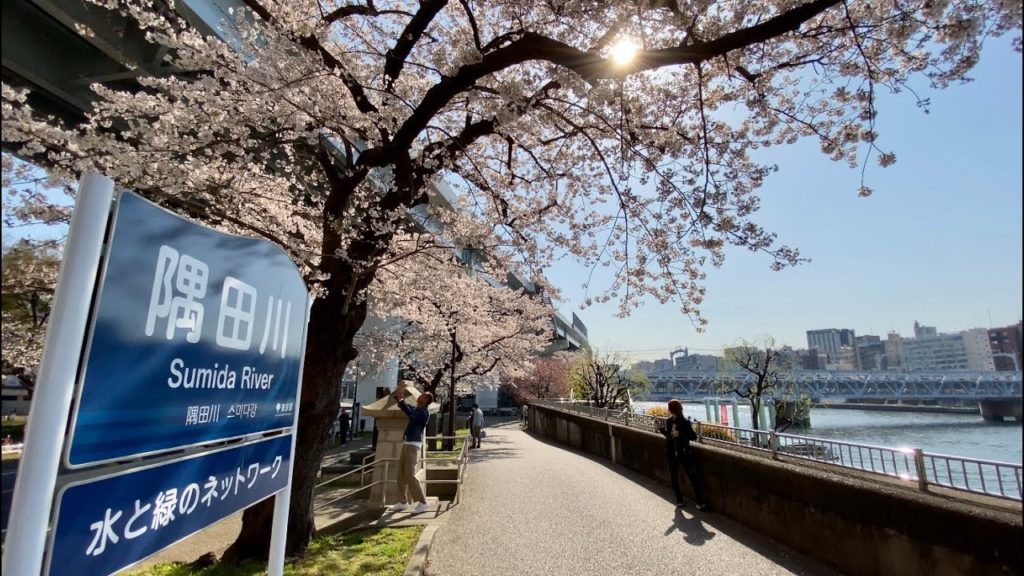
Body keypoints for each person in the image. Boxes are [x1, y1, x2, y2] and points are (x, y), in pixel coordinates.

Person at [388, 388, 433, 514]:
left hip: (414, 445)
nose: (419, 397)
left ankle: (423, 502)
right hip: (407, 443)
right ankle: (402, 502)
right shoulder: (418, 409)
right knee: (400, 474)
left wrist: (401, 401)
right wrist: (399, 399)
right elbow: (408, 408)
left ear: (426, 401)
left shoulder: (424, 413)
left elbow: (411, 415)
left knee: (409, 474)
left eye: (423, 396)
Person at [658, 399, 707, 511]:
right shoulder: (669, 421)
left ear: (671, 409)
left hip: (683, 452)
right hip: (671, 452)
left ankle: (699, 502)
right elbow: (670, 437)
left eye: (669, 408)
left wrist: (680, 434)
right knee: (674, 477)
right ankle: (679, 500)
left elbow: (693, 436)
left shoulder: (684, 422)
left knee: (692, 476)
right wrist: (660, 429)